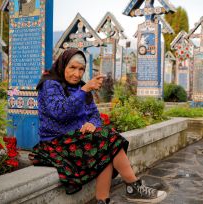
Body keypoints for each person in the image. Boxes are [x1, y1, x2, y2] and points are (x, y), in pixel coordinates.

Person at [29, 48, 167, 204]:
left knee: (105, 147)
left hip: (76, 139)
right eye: (72, 68)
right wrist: (85, 89)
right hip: (55, 142)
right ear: (62, 66)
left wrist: (91, 124)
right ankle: (133, 186)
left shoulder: (81, 87)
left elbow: (95, 115)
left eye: (81, 69)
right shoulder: (50, 84)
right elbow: (59, 112)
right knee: (107, 142)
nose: (77, 74)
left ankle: (104, 200)